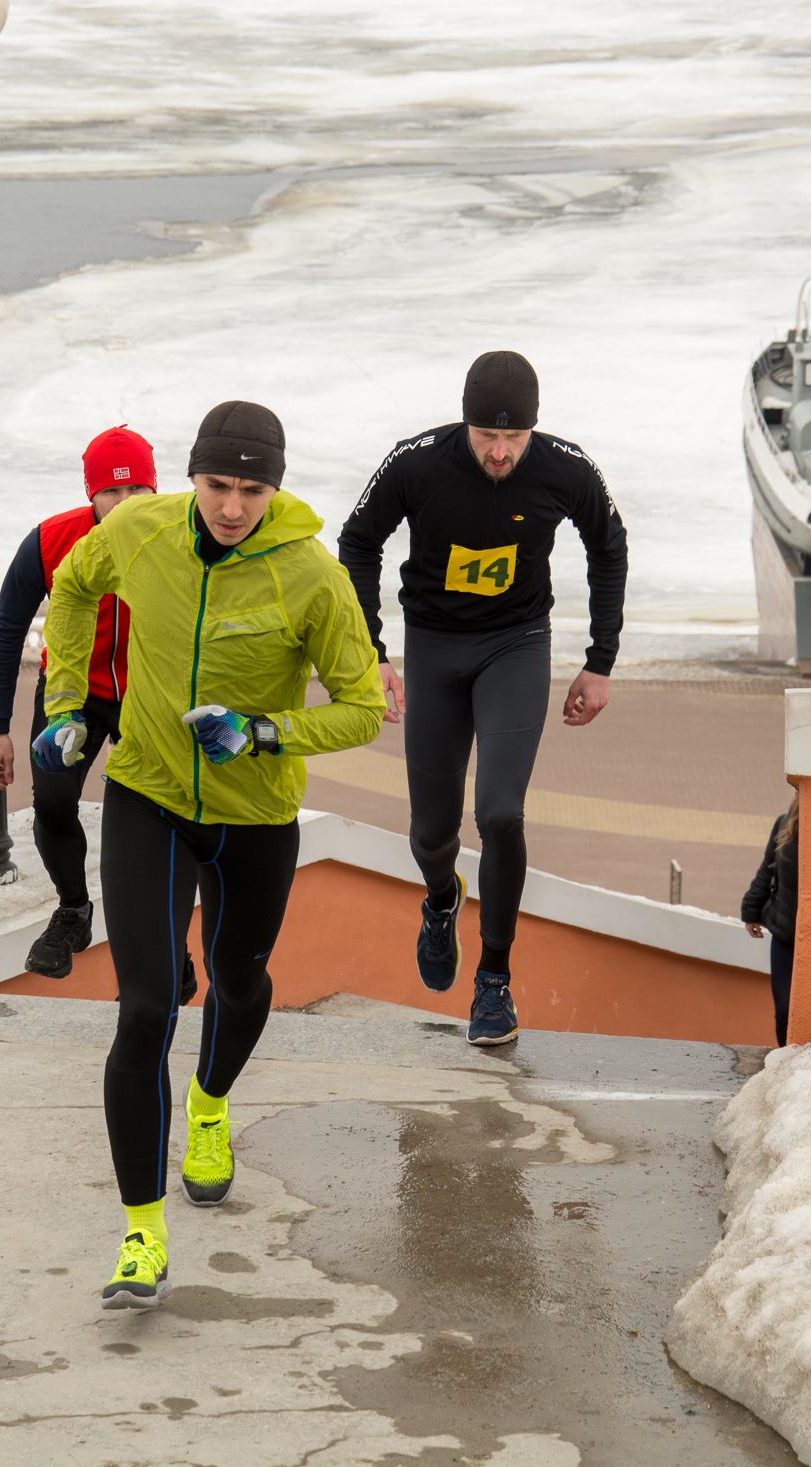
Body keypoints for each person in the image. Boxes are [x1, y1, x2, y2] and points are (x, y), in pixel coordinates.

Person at [36, 400, 384, 1311]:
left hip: (254, 815)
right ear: (192, 477)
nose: (233, 507)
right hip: (147, 793)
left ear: (276, 489)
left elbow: (363, 708)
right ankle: (142, 1235)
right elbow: (70, 590)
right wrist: (67, 703)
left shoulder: (313, 577)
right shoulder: (140, 530)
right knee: (146, 1006)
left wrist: (264, 732)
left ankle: (210, 1102)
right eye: (218, 485)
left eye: (252, 490)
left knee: (239, 979)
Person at [335, 351, 628, 1047]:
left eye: (513, 438)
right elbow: (357, 541)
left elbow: (608, 545)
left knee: (500, 812)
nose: (500, 452)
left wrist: (600, 662)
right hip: (434, 647)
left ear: (533, 429)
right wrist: (371, 652)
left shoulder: (565, 468)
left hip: (515, 646)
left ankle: (493, 979)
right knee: (430, 834)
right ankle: (441, 899)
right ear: (464, 423)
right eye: (486, 436)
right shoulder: (417, 463)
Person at [0, 425, 162, 978]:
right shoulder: (51, 540)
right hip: (70, 694)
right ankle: (73, 910)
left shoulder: (181, 535)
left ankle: (167, 944)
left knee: (158, 816)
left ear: (155, 489)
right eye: (112, 491)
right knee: (53, 801)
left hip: (150, 694)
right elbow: (6, 631)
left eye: (137, 490)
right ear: (91, 493)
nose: (125, 503)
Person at [742, 794, 799, 1047]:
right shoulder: (784, 824)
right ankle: (783, 1058)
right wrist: (751, 910)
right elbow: (767, 869)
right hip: (784, 934)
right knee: (783, 1008)